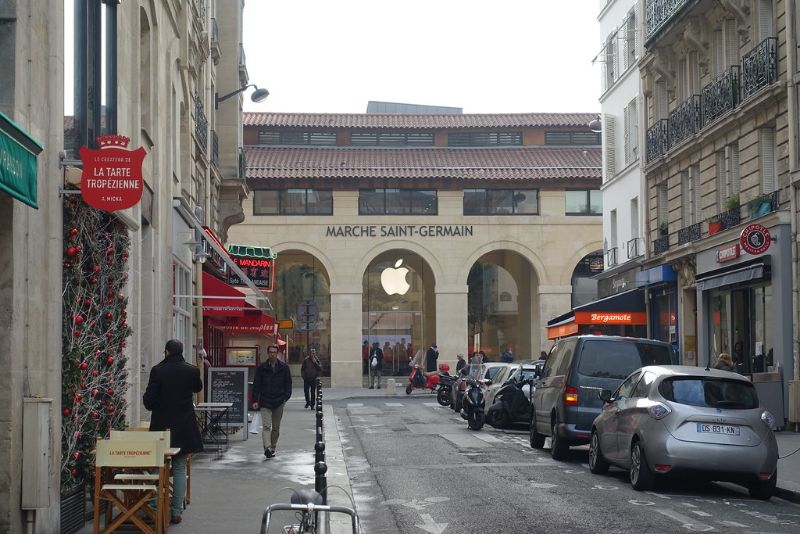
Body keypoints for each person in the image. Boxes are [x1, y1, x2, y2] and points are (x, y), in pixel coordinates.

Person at [143, 339, 203, 525]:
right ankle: (176, 510)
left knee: (156, 466)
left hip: (161, 427)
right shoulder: (192, 370)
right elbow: (198, 388)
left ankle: (153, 507)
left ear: (167, 352)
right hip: (184, 426)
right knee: (179, 468)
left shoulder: (158, 370)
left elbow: (149, 401)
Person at [251, 344, 292, 458]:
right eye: (270, 352)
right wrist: (255, 400)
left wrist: (286, 396)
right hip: (265, 400)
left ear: (277, 353)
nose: (272, 354)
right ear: (268, 353)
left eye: (274, 352)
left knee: (276, 427)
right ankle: (267, 447)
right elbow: (256, 384)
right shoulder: (262, 368)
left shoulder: (284, 367)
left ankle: (273, 447)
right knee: (266, 426)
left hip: (279, 400)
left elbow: (288, 383)